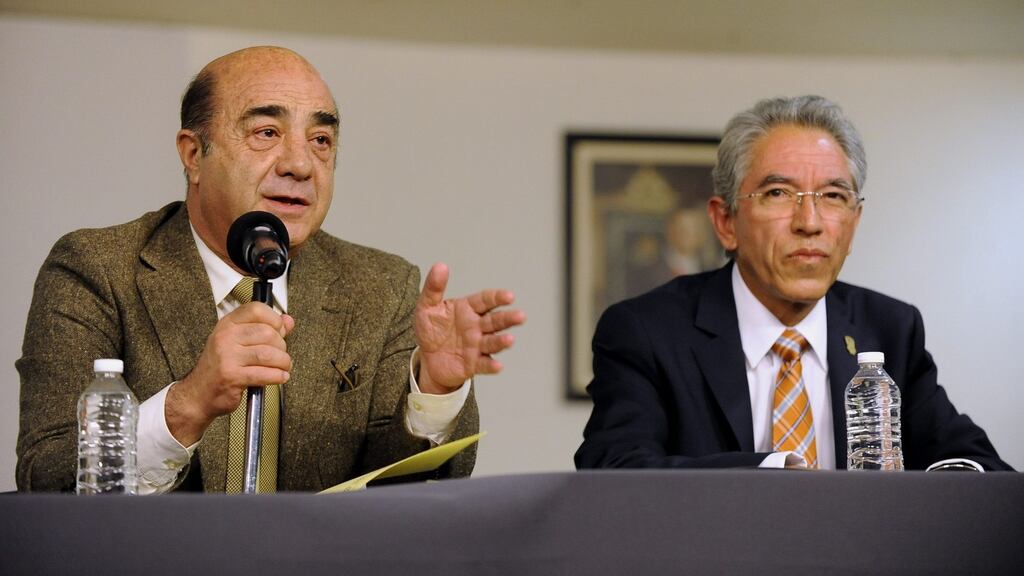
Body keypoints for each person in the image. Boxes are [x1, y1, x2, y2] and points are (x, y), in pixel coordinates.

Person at [16, 46, 525, 492]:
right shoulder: (97, 269)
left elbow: (406, 498)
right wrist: (187, 405)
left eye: (321, 141)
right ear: (193, 154)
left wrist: (433, 390)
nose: (300, 165)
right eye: (266, 132)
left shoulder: (382, 286)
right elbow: (49, 479)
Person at [576, 95, 1010, 471]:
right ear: (726, 222)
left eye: (834, 197)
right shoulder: (647, 331)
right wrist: (776, 473)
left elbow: (976, 467)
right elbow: (615, 471)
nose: (810, 223)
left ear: (853, 225)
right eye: (779, 194)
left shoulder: (889, 329)